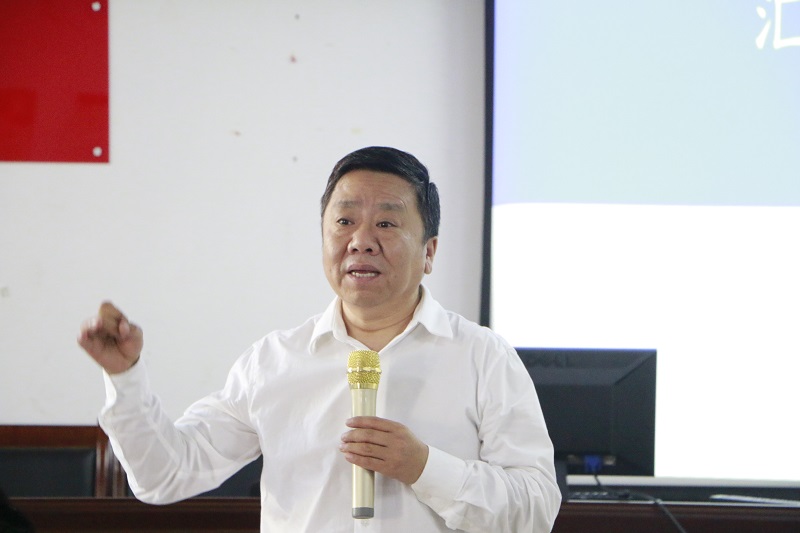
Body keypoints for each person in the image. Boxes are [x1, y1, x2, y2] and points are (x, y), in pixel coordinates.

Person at [78, 146, 561, 532]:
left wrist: (424, 467)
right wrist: (125, 378)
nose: (361, 240)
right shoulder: (274, 361)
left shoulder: (482, 357)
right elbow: (164, 476)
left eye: (387, 223)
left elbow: (537, 509)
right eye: (344, 221)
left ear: (429, 252)